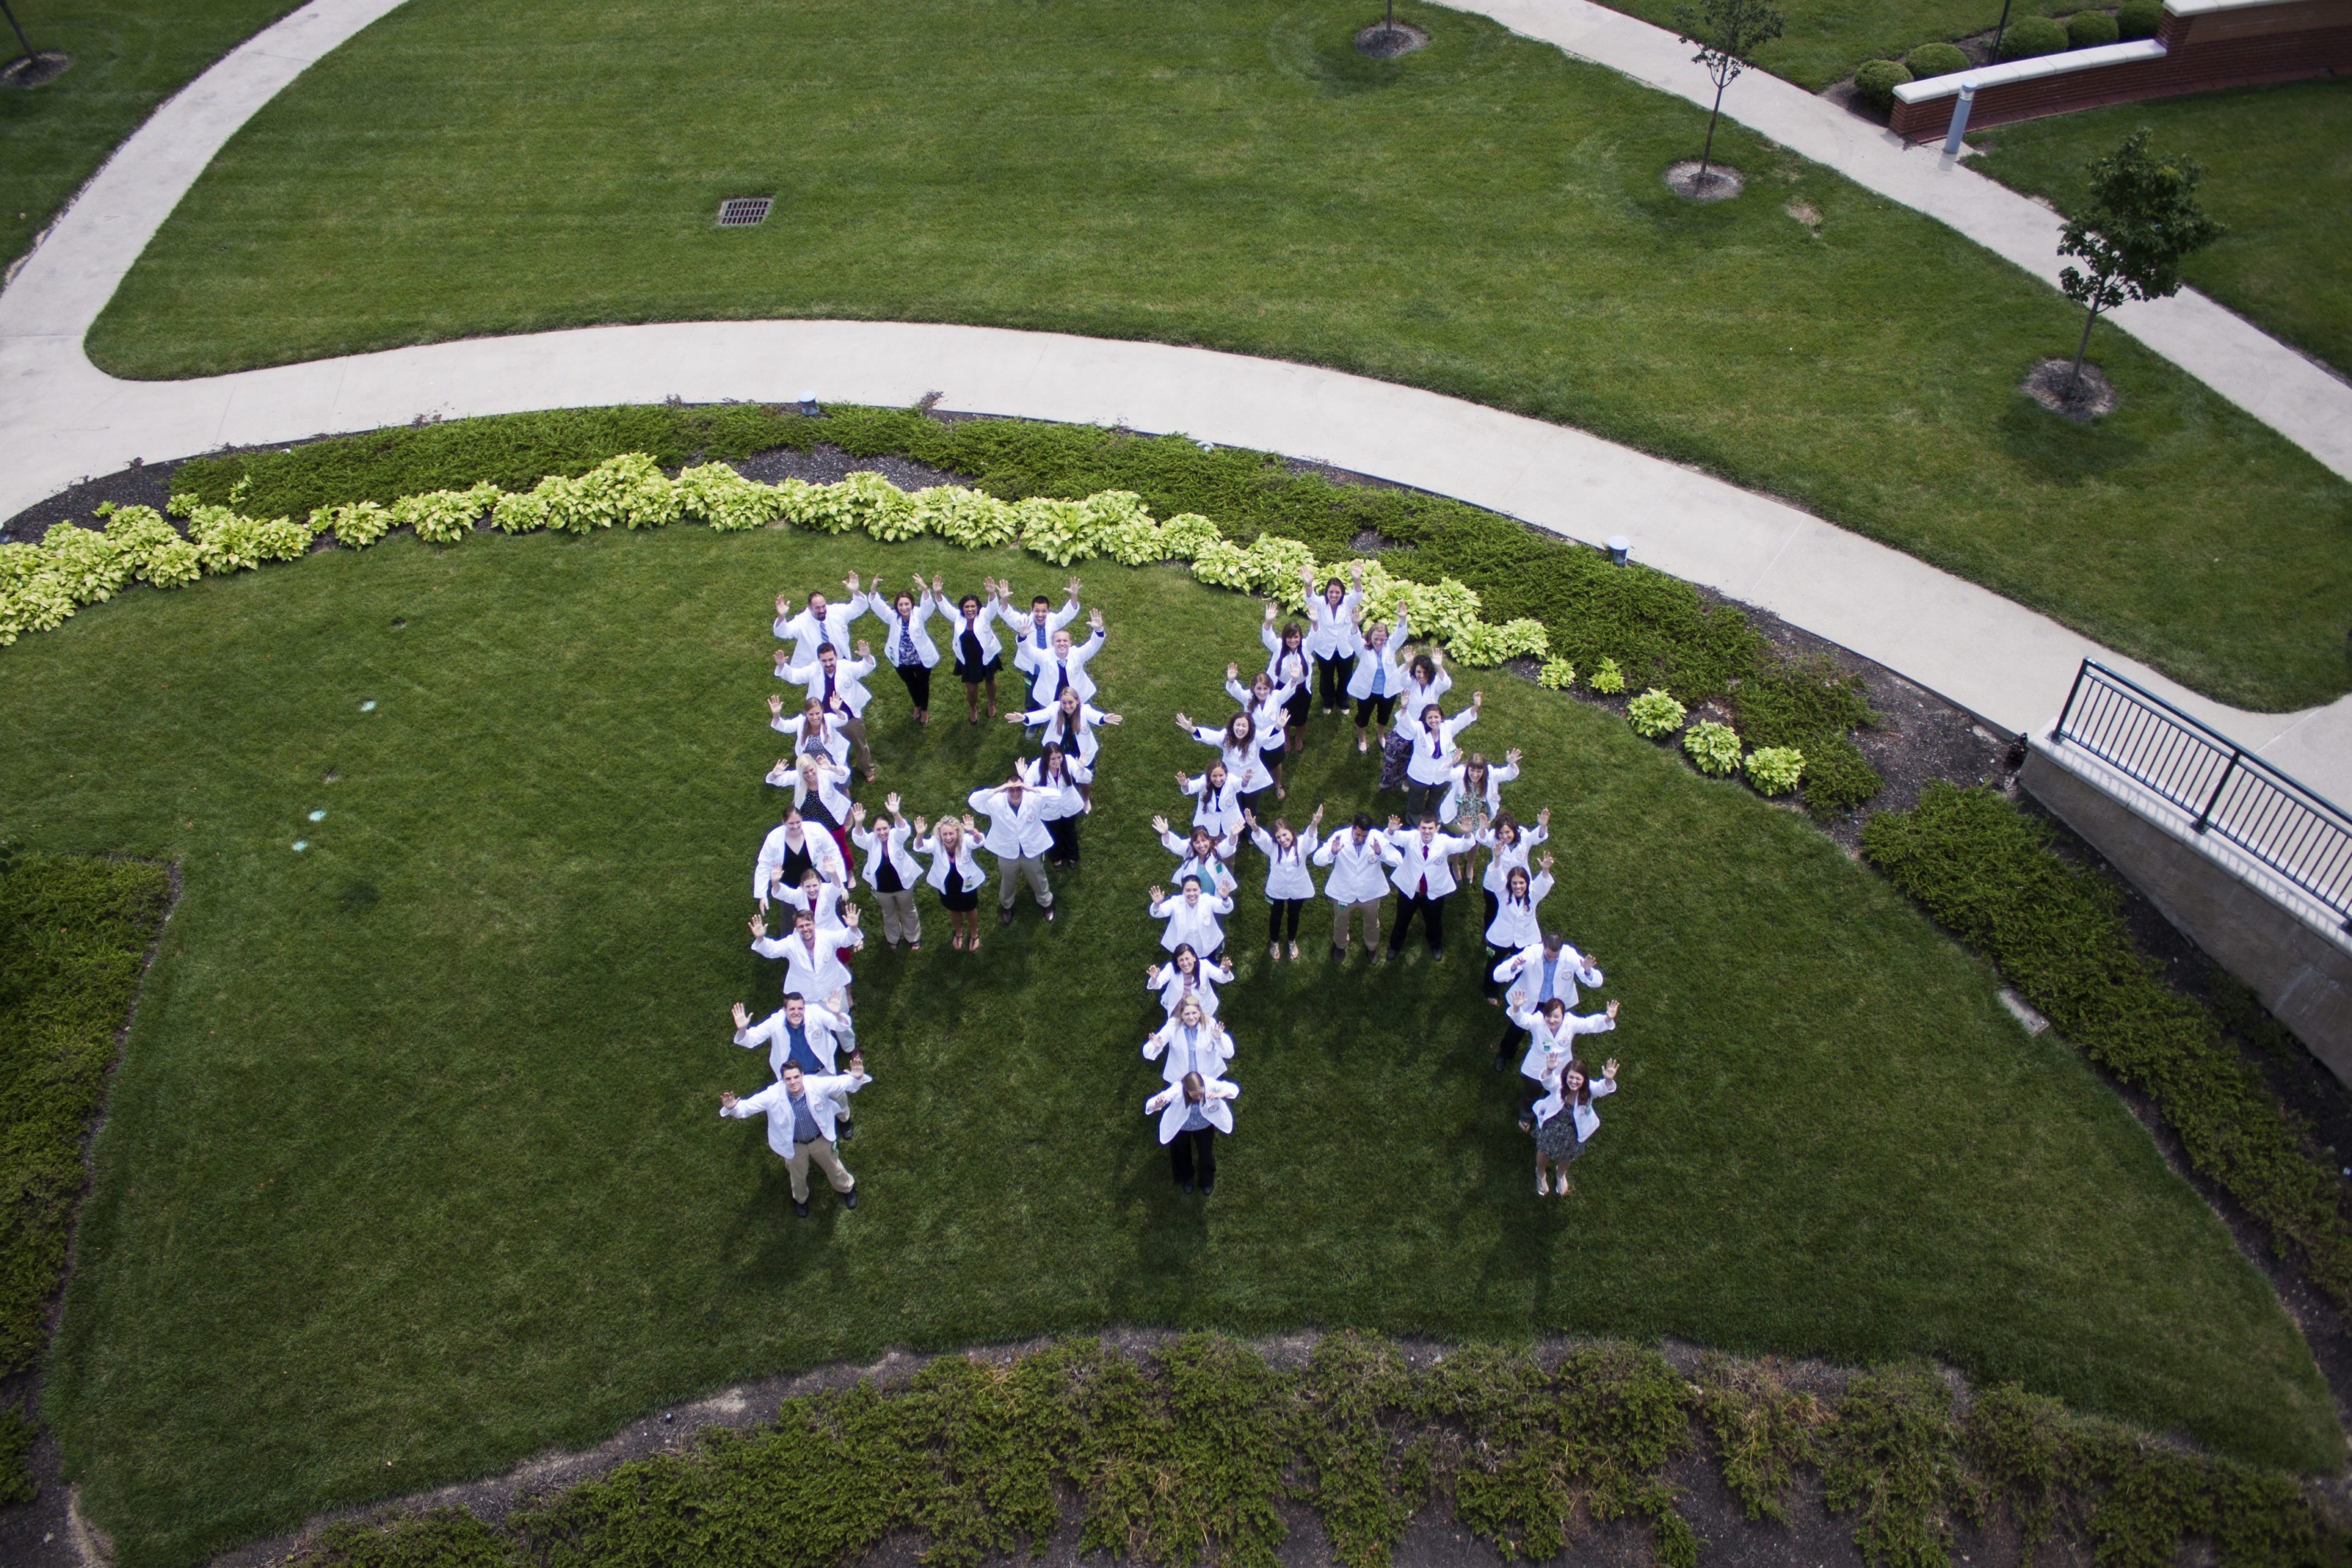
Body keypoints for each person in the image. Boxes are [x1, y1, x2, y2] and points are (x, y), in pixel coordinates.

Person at [721, 1057, 867, 1216]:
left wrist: (856, 1077)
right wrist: (734, 1107)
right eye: (788, 1079)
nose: (793, 1082)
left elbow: (840, 1084)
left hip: (820, 1140)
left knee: (835, 1168)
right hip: (794, 1146)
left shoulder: (816, 1084)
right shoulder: (773, 1095)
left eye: (796, 1077)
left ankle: (847, 1188)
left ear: (803, 1075)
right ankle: (801, 1200)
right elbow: (747, 1108)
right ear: (782, 1081)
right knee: (797, 1178)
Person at [1492, 930, 1604, 1067]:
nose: (1552, 959)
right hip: (1529, 1001)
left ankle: (1546, 1062)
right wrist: (1514, 966)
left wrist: (1587, 970)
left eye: (1555, 957)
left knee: (1551, 1033)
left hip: (1553, 1005)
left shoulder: (1570, 956)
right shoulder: (1531, 953)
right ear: (1543, 947)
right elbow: (1497, 975)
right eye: (1549, 956)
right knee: (1517, 1028)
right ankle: (1505, 1053)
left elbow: (1597, 982)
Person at [779, 639, 878, 782]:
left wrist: (867, 656)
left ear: (836, 656)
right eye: (824, 661)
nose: (828, 664)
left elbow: (864, 668)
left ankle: (868, 770)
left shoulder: (846, 667)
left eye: (831, 659)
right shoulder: (814, 670)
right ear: (819, 660)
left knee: (860, 744)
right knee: (830, 748)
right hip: (824, 721)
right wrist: (783, 666)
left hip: (850, 718)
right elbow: (795, 676)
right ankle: (835, 773)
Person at [1380, 812, 1474, 963]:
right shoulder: (1411, 838)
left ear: (1437, 828)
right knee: (1402, 921)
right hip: (1410, 891)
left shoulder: (1444, 842)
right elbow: (1392, 838)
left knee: (1434, 922)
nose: (1427, 832)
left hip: (1434, 893)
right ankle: (1394, 946)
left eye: (1430, 828)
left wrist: (1468, 833)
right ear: (1418, 828)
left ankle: (1436, 946)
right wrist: (1391, 830)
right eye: (1424, 828)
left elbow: (1463, 845)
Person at [970, 774, 1063, 924]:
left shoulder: (1033, 798)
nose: (1015, 793)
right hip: (1006, 852)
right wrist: (998, 789)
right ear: (1006, 790)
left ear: (1023, 788)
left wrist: (1030, 788)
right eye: (1011, 789)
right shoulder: (995, 802)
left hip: (1031, 850)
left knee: (1039, 878)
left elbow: (1057, 797)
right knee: (1007, 881)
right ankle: (1006, 906)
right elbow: (973, 801)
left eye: (1019, 789)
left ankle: (1046, 903)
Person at [1510, 997, 1618, 1124]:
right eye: (1548, 1016)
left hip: (1562, 1069)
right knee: (1531, 1094)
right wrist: (1517, 1008)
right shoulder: (1538, 1021)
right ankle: (1525, 1117)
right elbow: (1523, 1020)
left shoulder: (1571, 1022)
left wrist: (1607, 1018)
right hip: (1536, 1067)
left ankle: (1549, 1116)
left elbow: (1588, 1024)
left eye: (1556, 1017)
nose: (1552, 1020)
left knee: (1556, 1095)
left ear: (1563, 1016)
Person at [1244, 804, 1324, 963]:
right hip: (1277, 889)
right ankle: (1274, 943)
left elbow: (1310, 840)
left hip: (1298, 889)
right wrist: (1254, 827)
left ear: (1292, 833)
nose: (1283, 840)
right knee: (1276, 916)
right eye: (1279, 837)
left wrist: (1314, 824)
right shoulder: (1273, 847)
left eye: (1285, 835)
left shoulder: (1301, 844)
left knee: (1294, 916)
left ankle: (1291, 941)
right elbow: (1264, 839)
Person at [1008, 686, 1123, 798]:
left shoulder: (1084, 709)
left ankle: (1085, 798)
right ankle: (1063, 791)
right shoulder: (1055, 708)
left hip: (1081, 751)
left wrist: (1104, 719)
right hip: (1059, 751)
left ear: (1077, 701)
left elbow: (1095, 716)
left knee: (1084, 775)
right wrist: (1024, 718)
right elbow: (1041, 716)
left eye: (1070, 702)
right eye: (1064, 703)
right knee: (1059, 772)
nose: (1067, 706)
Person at [1532, 1055, 1619, 1197]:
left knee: (1567, 1156)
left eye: (1578, 1079)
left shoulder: (1590, 1089)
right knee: (1544, 1152)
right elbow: (1548, 1082)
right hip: (1552, 1126)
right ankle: (1540, 1174)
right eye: (1571, 1078)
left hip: (1574, 1130)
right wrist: (1549, 1069)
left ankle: (1561, 1175)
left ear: (1584, 1080)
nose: (1574, 1082)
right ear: (1566, 1077)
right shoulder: (1559, 1084)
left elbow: (1603, 1088)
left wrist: (1608, 1079)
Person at [863, 573, 942, 724]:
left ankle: (924, 710)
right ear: (897, 606)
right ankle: (917, 705)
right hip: (901, 661)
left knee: (923, 685)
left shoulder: (919, 614)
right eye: (901, 605)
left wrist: (926, 590)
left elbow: (928, 607)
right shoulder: (892, 617)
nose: (904, 607)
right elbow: (879, 608)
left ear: (912, 604)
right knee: (911, 684)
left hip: (921, 659)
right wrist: (873, 592)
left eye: (907, 604)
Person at [1312, 812, 1392, 959]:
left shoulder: (1377, 837)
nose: (1361, 839)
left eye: (1364, 836)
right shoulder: (1340, 837)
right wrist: (1332, 852)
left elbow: (1397, 860)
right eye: (1358, 835)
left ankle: (1372, 946)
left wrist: (1381, 853)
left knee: (1372, 923)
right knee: (1340, 923)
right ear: (1352, 828)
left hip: (1370, 894)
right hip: (1343, 894)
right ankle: (1341, 945)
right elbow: (1317, 860)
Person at [847, 795, 923, 950]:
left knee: (908, 910)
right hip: (882, 889)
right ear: (873, 831)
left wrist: (896, 813)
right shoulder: (870, 841)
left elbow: (904, 829)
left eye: (885, 828)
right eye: (878, 829)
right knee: (889, 914)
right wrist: (859, 822)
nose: (882, 832)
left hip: (904, 885)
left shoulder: (896, 836)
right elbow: (858, 838)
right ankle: (893, 938)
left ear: (890, 828)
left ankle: (913, 937)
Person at [750, 903, 864, 1004]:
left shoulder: (827, 937)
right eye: (801, 926)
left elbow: (845, 939)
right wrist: (761, 939)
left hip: (834, 991)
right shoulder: (790, 943)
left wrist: (853, 928)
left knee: (843, 1025)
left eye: (808, 925)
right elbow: (772, 950)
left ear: (814, 924)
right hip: (808, 998)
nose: (805, 929)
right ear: (796, 928)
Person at [1146, 1070, 1237, 1195]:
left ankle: (1207, 1180)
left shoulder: (1209, 1083)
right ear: (1186, 1090)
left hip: (1205, 1126)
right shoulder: (1177, 1089)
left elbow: (1233, 1089)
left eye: (1201, 1093)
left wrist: (1219, 1095)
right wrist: (1158, 1104)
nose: (1199, 1098)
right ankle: (1187, 1178)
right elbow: (1152, 1104)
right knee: (1182, 1154)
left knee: (1206, 1154)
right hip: (1182, 1128)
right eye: (1195, 1096)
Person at [730, 990, 856, 1078]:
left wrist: (837, 1014)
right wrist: (742, 1030)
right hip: (795, 1080)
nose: (797, 1013)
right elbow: (751, 1040)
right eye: (792, 1009)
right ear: (785, 1010)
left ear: (804, 1008)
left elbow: (840, 1025)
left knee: (838, 1099)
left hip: (823, 1071)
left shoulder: (815, 1012)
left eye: (800, 1009)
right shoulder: (776, 1022)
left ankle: (844, 1117)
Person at [1484, 858, 1557, 1001]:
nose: (1518, 887)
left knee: (1522, 965)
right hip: (1500, 938)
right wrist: (1497, 858)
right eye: (1515, 883)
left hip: (1525, 939)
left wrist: (1545, 869)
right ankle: (1491, 990)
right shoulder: (1502, 893)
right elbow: (1496, 876)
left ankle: (1514, 986)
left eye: (1522, 883)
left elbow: (1542, 885)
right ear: (1509, 884)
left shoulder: (1533, 896)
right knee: (1493, 963)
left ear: (1527, 884)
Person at [1440, 748, 1523, 872]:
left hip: (1480, 821)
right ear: (1468, 768)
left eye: (1479, 771)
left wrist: (1511, 763)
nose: (1475, 774)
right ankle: (1456, 865)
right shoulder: (1461, 773)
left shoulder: (1491, 776)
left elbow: (1509, 774)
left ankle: (1470, 865)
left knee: (1476, 842)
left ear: (1484, 770)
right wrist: (1451, 763)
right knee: (1458, 842)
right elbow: (1442, 775)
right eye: (1472, 770)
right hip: (1459, 817)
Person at [1224, 663, 1299, 799]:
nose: (1262, 692)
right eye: (1259, 688)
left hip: (1274, 741)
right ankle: (1251, 785)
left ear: (1270, 688)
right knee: (1252, 763)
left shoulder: (1276, 697)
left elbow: (1288, 691)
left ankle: (1278, 784)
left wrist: (1294, 680)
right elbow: (1235, 690)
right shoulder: (1247, 697)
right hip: (1253, 741)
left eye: (1265, 688)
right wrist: (1231, 680)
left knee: (1275, 764)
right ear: (1253, 688)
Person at [768, 753, 856, 870]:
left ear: (815, 766)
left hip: (831, 820)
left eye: (811, 770)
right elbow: (777, 780)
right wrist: (774, 774)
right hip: (810, 823)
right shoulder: (797, 777)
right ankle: (823, 875)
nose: (809, 775)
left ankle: (848, 872)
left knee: (840, 847)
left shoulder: (825, 774)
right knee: (815, 850)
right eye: (805, 773)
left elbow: (844, 774)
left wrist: (831, 767)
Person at [1403, 694, 1484, 821]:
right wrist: (1404, 707)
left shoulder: (1448, 727)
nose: (1433, 720)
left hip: (1443, 775)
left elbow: (1462, 720)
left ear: (1441, 718)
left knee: (1435, 800)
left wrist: (1475, 707)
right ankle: (1415, 820)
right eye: (1430, 717)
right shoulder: (1419, 729)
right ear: (1425, 719)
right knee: (1416, 800)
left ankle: (1431, 820)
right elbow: (1406, 724)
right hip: (1420, 775)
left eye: (1436, 717)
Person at [1175, 710, 1272, 814]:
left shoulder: (1255, 737)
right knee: (1233, 808)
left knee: (1251, 808)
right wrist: (1192, 729)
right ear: (1232, 726)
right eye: (1238, 725)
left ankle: (1249, 826)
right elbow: (1210, 736)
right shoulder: (1226, 737)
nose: (1240, 729)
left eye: (1244, 726)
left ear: (1250, 728)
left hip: (1253, 780)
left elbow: (1267, 736)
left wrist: (1279, 727)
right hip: (1232, 780)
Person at [916, 812, 987, 952]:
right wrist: (919, 835)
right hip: (947, 884)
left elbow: (979, 842)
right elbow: (920, 847)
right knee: (953, 908)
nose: (948, 838)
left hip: (967, 882)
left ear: (958, 833)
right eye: (945, 835)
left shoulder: (966, 840)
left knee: (971, 909)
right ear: (940, 835)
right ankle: (959, 931)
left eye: (951, 834)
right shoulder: (936, 843)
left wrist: (973, 831)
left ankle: (974, 933)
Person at [1300, 562, 1364, 717]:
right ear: (1327, 593)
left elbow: (1358, 594)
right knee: (1326, 677)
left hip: (1346, 648)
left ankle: (1343, 700)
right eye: (1331, 592)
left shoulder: (1348, 603)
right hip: (1324, 648)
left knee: (1345, 676)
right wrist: (1308, 583)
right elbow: (1310, 598)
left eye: (1337, 592)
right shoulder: (1321, 604)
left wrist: (1356, 579)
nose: (1334, 595)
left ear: (1342, 593)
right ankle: (1328, 701)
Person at [753, 806, 846, 908]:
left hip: (815, 883)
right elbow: (764, 865)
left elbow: (833, 853)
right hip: (790, 888)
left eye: (798, 822)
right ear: (783, 822)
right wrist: (762, 896)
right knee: (797, 920)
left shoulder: (817, 829)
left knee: (827, 910)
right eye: (791, 823)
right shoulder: (773, 838)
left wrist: (840, 883)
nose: (796, 826)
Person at [1475, 808, 1551, 934]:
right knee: (1492, 910)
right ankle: (1489, 935)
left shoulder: (1524, 836)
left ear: (1514, 830)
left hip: (1519, 883)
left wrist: (1543, 825)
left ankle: (1518, 933)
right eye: (1501, 833)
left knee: (1519, 909)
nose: (1504, 837)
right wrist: (1482, 829)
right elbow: (1483, 838)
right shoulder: (1494, 838)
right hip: (1495, 883)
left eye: (1508, 832)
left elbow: (1538, 837)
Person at [1347, 606, 1410, 756]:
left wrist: (1403, 618)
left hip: (1388, 691)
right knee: (1363, 716)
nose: (1379, 642)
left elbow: (1401, 634)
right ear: (1370, 637)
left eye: (1382, 639)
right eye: (1376, 638)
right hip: (1367, 692)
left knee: (1384, 716)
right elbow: (1353, 638)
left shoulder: (1391, 647)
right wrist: (1355, 624)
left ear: (1387, 638)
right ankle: (1362, 739)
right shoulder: (1363, 648)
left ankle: (1381, 735)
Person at [1021, 745, 1090, 870]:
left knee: (1070, 832)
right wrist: (1022, 777)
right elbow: (1027, 787)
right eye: (1053, 759)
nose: (1057, 761)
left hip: (1069, 806)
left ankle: (1072, 856)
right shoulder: (1037, 767)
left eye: (1059, 757)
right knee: (1054, 834)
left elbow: (1083, 778)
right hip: (1048, 810)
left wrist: (1081, 768)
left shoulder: (1068, 761)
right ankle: (1056, 858)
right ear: (1047, 759)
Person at [1021, 610, 1108, 709]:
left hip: (1075, 698)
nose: (1062, 643)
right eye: (1058, 641)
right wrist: (1022, 636)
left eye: (1065, 640)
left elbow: (1093, 645)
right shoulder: (1044, 656)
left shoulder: (1078, 654)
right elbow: (1027, 650)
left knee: (1076, 720)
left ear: (1070, 643)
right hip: (1050, 698)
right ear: (1052, 643)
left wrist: (1099, 630)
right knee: (1053, 720)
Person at [1258, 605, 1314, 754]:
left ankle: (1299, 738)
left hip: (1301, 690)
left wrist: (1315, 623)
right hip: (1282, 689)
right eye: (1290, 637)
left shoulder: (1307, 646)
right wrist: (1268, 622)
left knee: (1301, 718)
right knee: (1284, 715)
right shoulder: (1278, 646)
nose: (1293, 640)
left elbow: (1317, 637)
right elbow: (1268, 638)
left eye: (1296, 637)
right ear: (1284, 638)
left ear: (1300, 637)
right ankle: (1287, 737)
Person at [1143, 997, 1235, 1083]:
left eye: (1194, 1013)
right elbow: (1148, 1053)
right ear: (1181, 1015)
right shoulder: (1172, 1025)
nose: (1191, 1017)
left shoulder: (1210, 1023)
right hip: (1180, 1081)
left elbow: (1229, 1053)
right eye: (1187, 1014)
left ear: (1199, 1012)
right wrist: (1155, 1046)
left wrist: (1218, 1038)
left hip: (1209, 1079)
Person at [1001, 577, 1084, 670]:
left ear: (1048, 611)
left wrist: (1074, 596)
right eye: (1037, 611)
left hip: (1050, 663)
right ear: (1032, 610)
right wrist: (1004, 599)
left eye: (1044, 611)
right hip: (1032, 664)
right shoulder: (1025, 622)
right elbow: (1009, 615)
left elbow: (1067, 613)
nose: (1040, 615)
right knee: (1032, 684)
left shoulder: (1054, 620)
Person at [950, 586, 1006, 724]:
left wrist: (992, 593)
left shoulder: (984, 615)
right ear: (962, 609)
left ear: (978, 607)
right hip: (968, 660)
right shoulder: (958, 617)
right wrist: (937, 593)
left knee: (990, 680)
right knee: (971, 689)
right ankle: (973, 708)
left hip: (986, 656)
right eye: (967, 607)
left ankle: (991, 703)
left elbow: (993, 607)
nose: (970, 609)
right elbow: (944, 606)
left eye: (973, 606)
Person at [1149, 876, 1235, 964]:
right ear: (1183, 891)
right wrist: (1157, 904)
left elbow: (1225, 909)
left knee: (1207, 972)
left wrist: (1225, 899)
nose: (1192, 894)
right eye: (1188, 890)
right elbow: (1159, 912)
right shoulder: (1176, 902)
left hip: (1207, 948)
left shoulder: (1207, 900)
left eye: (1195, 890)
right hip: (1183, 951)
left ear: (1200, 889)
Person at [774, 581, 859, 666]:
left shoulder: (836, 611)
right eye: (817, 608)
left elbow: (858, 608)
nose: (822, 611)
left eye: (823, 606)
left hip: (840, 663)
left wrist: (856, 592)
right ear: (809, 608)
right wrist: (781, 616)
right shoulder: (801, 621)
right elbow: (782, 633)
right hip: (815, 670)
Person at [1154, 817, 1239, 896]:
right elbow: (1178, 845)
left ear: (1209, 840)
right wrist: (1166, 834)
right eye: (1197, 842)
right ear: (1192, 844)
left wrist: (1232, 836)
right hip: (1193, 897)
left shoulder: (1216, 851)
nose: (1201, 845)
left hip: (1214, 897)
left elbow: (1227, 847)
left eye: (1204, 840)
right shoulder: (1188, 851)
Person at [1146, 943, 1233, 1019]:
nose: (1185, 963)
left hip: (1202, 1008)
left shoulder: (1204, 965)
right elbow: (1159, 983)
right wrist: (1155, 979)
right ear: (1177, 962)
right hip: (1179, 1008)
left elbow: (1221, 977)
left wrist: (1225, 971)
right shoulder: (1171, 968)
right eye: (1181, 960)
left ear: (1194, 958)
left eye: (1187, 959)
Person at [767, 694, 852, 771]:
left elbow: (842, 721)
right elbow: (784, 726)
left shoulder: (829, 719)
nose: (815, 717)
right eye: (811, 714)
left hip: (833, 758)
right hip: (811, 764)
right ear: (806, 713)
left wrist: (837, 710)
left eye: (818, 713)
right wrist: (776, 714)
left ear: (822, 711)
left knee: (841, 781)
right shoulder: (800, 722)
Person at [1177, 760, 1247, 841]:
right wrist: (1185, 785)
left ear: (1226, 774)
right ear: (1209, 775)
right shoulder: (1204, 781)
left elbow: (1240, 785)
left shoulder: (1231, 779)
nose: (1218, 780)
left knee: (1229, 847)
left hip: (1230, 821)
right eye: (1214, 776)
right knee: (1209, 847)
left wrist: (1245, 781)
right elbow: (1192, 787)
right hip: (1208, 823)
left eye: (1221, 776)